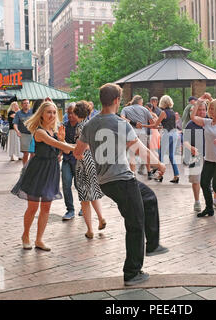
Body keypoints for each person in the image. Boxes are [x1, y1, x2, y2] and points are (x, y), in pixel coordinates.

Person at [73, 83, 168, 287]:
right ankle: (132, 273)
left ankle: (152, 245)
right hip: (123, 180)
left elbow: (77, 152)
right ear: (117, 100)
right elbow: (141, 151)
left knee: (149, 198)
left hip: (106, 182)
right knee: (135, 224)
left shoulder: (90, 125)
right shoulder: (121, 124)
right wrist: (159, 164)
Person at [11, 101, 75, 252]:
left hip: (52, 170)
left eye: (54, 112)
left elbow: (64, 151)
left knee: (46, 207)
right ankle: (25, 236)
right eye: (49, 112)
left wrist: (62, 139)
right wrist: (79, 147)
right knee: (33, 207)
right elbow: (63, 148)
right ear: (41, 114)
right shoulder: (40, 132)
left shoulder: (55, 132)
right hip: (38, 170)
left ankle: (39, 239)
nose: (52, 115)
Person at [73, 101, 106, 238]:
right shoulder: (93, 125)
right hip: (94, 160)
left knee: (84, 198)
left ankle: (90, 230)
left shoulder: (80, 127)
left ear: (76, 113)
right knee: (93, 192)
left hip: (83, 161)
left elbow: (82, 146)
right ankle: (100, 217)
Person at [146, 95, 180, 183]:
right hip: (175, 134)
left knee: (161, 155)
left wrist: (143, 125)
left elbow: (155, 125)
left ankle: (160, 176)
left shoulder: (163, 112)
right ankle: (176, 175)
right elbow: (165, 124)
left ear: (162, 102)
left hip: (167, 135)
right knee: (171, 156)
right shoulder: (172, 112)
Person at [121, 95, 155, 179]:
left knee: (131, 154)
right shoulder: (145, 109)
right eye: (142, 102)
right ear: (140, 102)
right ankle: (149, 172)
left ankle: (133, 174)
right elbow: (152, 123)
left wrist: (132, 123)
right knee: (144, 153)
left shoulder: (125, 109)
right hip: (142, 133)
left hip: (131, 133)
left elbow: (122, 118)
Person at [183, 100, 206, 212]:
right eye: (200, 110)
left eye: (203, 110)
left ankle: (212, 202)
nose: (202, 112)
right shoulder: (190, 124)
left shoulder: (210, 122)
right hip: (195, 155)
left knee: (209, 181)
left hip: (209, 155)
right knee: (195, 180)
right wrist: (191, 148)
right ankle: (197, 201)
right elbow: (185, 141)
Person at [61, 103, 82, 221]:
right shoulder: (63, 126)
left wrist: (66, 145)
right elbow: (60, 143)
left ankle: (84, 206)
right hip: (67, 160)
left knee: (79, 185)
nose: (70, 115)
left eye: (73, 113)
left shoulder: (82, 126)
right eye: (68, 113)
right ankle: (70, 210)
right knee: (66, 184)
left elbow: (81, 146)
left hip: (79, 161)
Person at [13, 99, 33, 165]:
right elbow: (15, 123)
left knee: (33, 153)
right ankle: (24, 167)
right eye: (24, 103)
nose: (26, 104)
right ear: (21, 105)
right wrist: (17, 131)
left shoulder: (33, 112)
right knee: (26, 153)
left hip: (33, 134)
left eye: (27, 103)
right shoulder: (18, 113)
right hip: (24, 134)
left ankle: (30, 166)